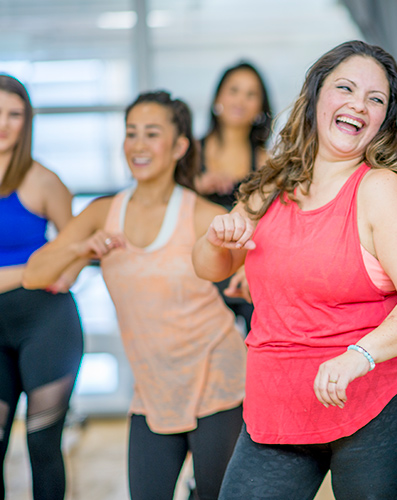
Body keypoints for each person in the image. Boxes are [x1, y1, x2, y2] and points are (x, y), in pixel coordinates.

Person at [192, 40, 397, 500]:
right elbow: (211, 268)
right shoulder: (273, 184)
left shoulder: (380, 189)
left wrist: (359, 355)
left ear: (384, 120)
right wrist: (215, 238)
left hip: (370, 402)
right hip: (276, 406)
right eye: (345, 88)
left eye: (375, 99)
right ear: (315, 97)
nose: (358, 105)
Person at [22, 91, 246, 500]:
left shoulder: (201, 214)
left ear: (179, 146)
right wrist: (81, 247)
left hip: (217, 377)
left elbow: (256, 261)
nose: (138, 145)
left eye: (152, 133)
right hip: (152, 389)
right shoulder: (102, 213)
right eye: (131, 133)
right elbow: (36, 274)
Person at [0, 74, 83, 500]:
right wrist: (34, 271)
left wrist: (64, 272)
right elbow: (44, 265)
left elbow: (79, 245)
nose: (4, 124)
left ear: (27, 121)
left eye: (14, 114)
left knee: (43, 446)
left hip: (47, 324)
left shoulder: (44, 181)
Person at [196, 61, 273, 333]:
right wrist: (196, 185)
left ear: (260, 108)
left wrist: (248, 267)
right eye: (234, 90)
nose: (240, 100)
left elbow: (272, 224)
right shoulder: (189, 154)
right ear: (218, 97)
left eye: (251, 94)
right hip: (197, 270)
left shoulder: (267, 162)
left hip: (246, 271)